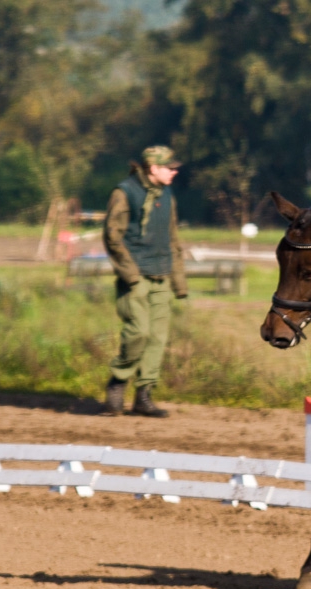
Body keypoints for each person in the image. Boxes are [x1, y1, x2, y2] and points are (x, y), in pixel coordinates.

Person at [102, 145, 188, 417]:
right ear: (153, 168)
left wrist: (179, 283)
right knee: (138, 332)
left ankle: (144, 395)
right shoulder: (124, 192)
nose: (174, 171)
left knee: (157, 338)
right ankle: (118, 382)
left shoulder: (167, 194)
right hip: (136, 276)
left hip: (162, 274)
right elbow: (112, 236)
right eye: (169, 167)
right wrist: (130, 275)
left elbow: (173, 239)